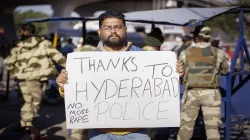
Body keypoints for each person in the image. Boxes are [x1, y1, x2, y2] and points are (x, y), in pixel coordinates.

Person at [56, 11, 185, 140]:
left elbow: (159, 88)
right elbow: (77, 95)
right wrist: (64, 86)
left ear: (125, 30)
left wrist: (173, 76)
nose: (113, 31)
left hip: (138, 132)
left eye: (118, 27)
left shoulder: (145, 57)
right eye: (107, 28)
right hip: (99, 133)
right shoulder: (84, 62)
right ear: (99, 32)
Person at [5, 23, 66, 127]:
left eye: (21, 31)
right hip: (36, 78)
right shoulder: (44, 43)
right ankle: (27, 125)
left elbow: (9, 63)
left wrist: (15, 74)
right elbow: (58, 57)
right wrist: (71, 66)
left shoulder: (18, 45)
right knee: (33, 102)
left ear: (24, 31)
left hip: (21, 79)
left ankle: (25, 124)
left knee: (25, 101)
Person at [177, 26, 230, 140]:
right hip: (211, 95)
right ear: (209, 37)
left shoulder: (185, 53)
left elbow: (180, 72)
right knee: (212, 130)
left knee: (185, 128)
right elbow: (226, 70)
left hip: (191, 94)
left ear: (196, 37)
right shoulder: (219, 53)